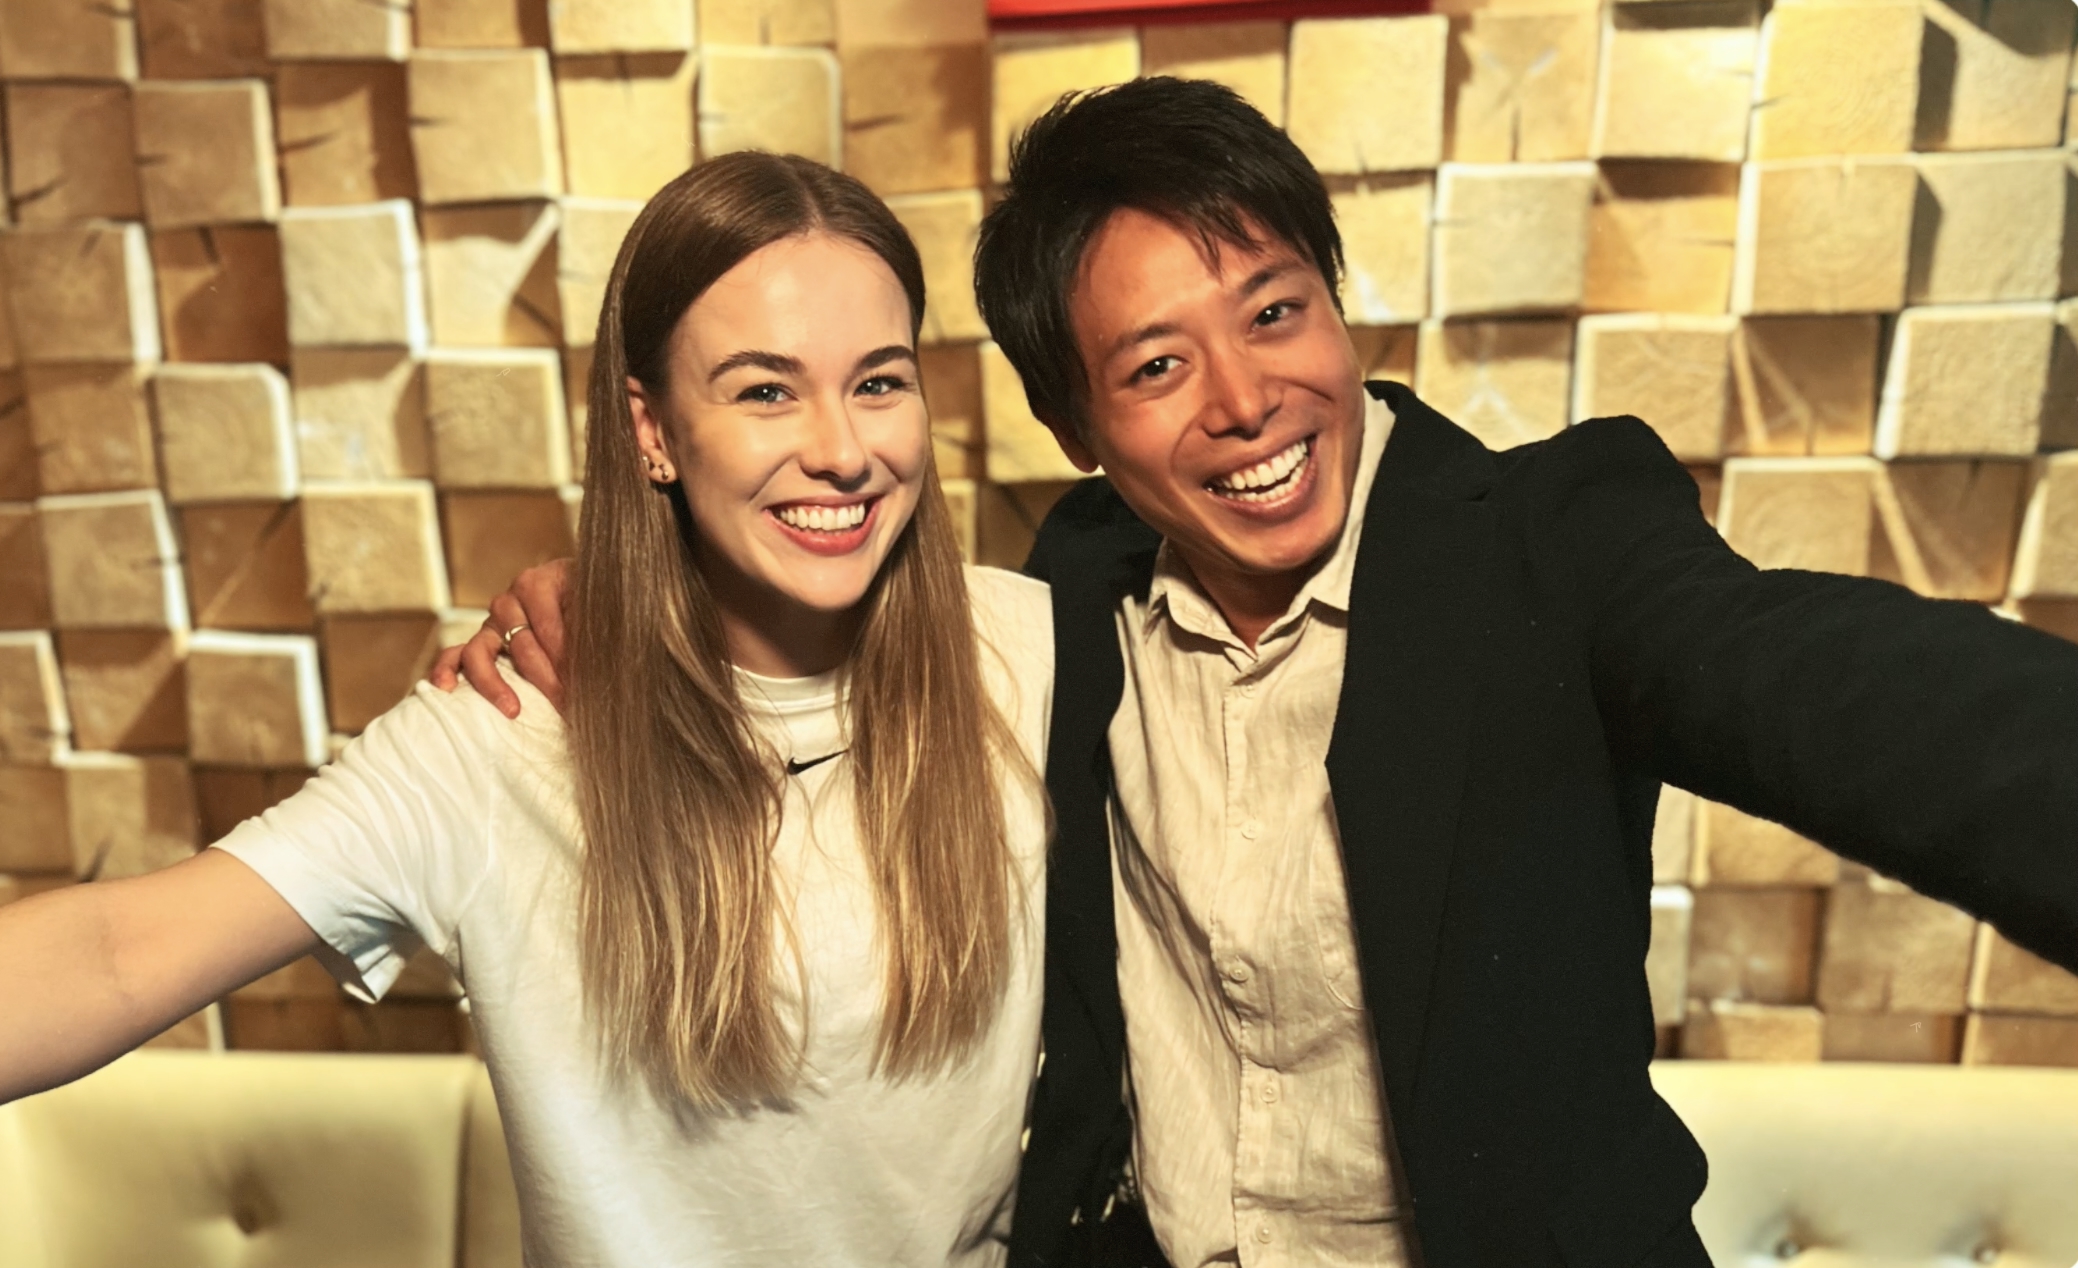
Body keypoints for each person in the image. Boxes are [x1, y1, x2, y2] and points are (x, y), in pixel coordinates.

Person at [439, 80, 2078, 1268]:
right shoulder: (1067, 597)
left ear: (1335, 307)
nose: (1242, 400)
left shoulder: (1550, 546)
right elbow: (812, 609)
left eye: (1274, 311)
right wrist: (619, 593)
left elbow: (1820, 682)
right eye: (1156, 363)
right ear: (1078, 429)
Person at [0, 152, 1060, 1266]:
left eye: (878, 381)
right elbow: (118, 953)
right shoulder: (505, 731)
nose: (842, 449)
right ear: (652, 429)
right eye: (764, 389)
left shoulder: (1032, 655)